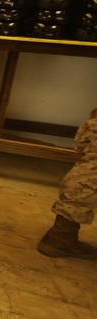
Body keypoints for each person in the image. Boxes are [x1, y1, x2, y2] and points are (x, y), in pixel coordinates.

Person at [37, 107, 97, 259]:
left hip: (79, 174)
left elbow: (78, 147)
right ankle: (60, 241)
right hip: (90, 181)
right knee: (80, 200)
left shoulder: (92, 123)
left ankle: (58, 238)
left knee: (75, 199)